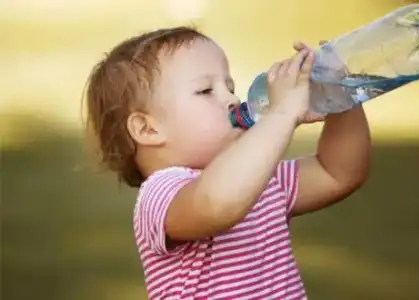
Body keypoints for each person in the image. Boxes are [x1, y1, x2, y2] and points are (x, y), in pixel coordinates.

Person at [84, 26, 371, 299]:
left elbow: (339, 173)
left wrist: (340, 96)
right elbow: (217, 204)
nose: (233, 99)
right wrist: (281, 115)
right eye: (206, 91)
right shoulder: (160, 195)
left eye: (230, 86)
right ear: (148, 129)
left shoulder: (262, 179)